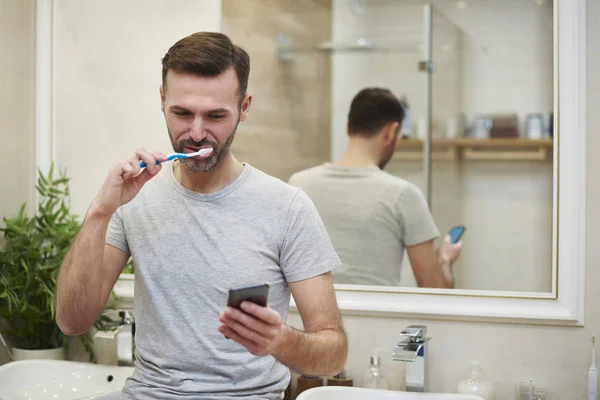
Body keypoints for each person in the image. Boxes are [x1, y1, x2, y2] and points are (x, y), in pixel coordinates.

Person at [55, 31, 348, 399]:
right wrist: (100, 211)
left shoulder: (287, 208)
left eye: (215, 115)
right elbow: (71, 321)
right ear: (162, 100)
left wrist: (281, 341)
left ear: (244, 107)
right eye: (182, 113)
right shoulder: (133, 199)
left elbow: (333, 354)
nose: (195, 133)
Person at [288, 87, 462, 288]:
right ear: (391, 131)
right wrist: (445, 261)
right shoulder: (403, 195)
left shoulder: (298, 184)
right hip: (375, 318)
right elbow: (435, 291)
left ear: (347, 127)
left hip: (305, 317)